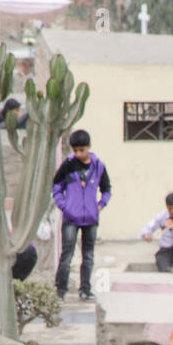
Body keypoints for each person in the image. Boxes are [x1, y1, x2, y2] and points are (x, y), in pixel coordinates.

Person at [52, 129, 111, 302]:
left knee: (88, 256)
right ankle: (60, 290)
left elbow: (107, 189)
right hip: (71, 218)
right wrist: (65, 207)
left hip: (91, 219)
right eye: (75, 150)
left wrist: (100, 205)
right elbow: (56, 188)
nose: (78, 154)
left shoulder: (99, 166)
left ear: (89, 147)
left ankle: (85, 289)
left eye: (82, 150)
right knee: (67, 255)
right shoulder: (68, 165)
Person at [140, 192, 173, 272]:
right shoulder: (162, 216)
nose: (172, 211)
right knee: (164, 268)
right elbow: (148, 227)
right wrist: (146, 234)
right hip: (166, 249)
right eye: (170, 208)